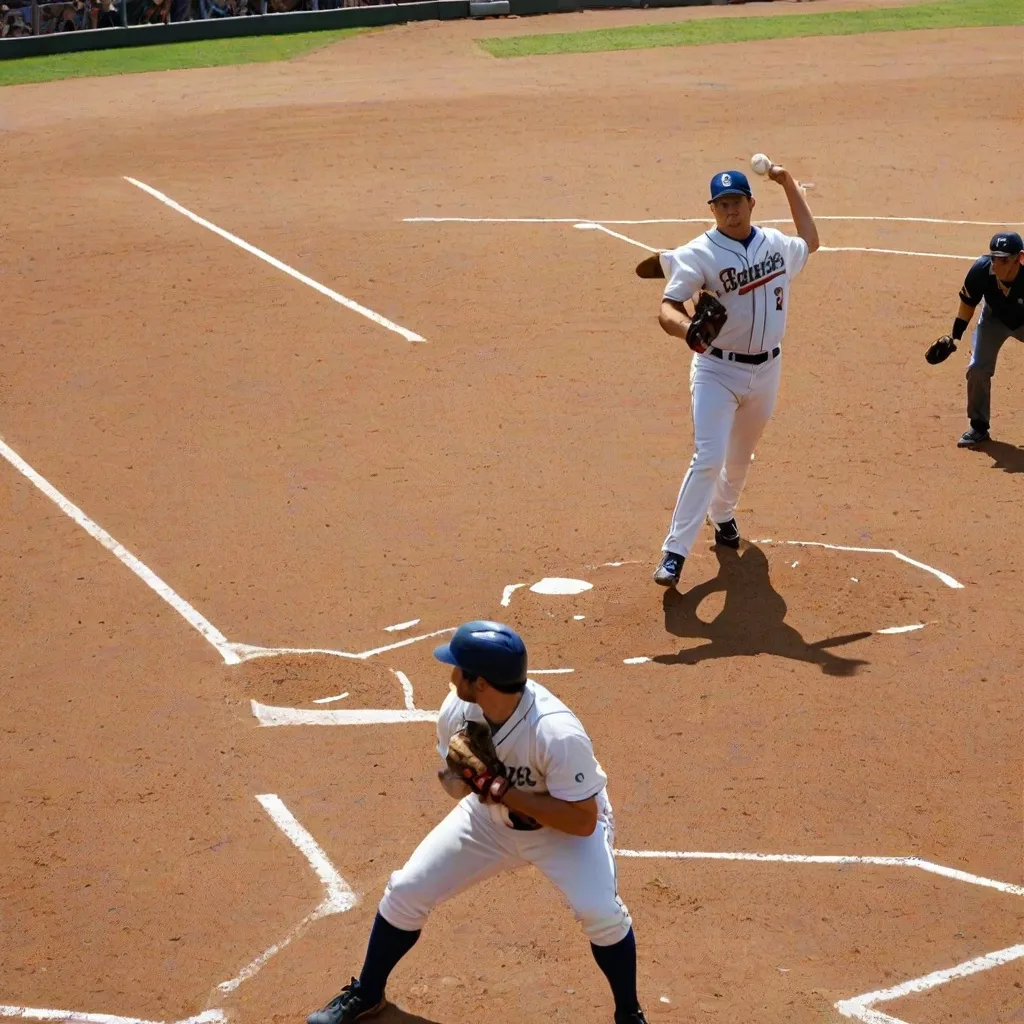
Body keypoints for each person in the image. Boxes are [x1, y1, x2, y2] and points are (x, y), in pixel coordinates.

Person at [306, 620, 646, 1024]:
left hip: (560, 830)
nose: (451, 675)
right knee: (407, 890)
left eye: (458, 668)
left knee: (601, 912)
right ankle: (366, 992)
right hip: (489, 821)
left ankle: (629, 1012)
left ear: (480, 682)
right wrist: (465, 780)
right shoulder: (459, 710)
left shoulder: (556, 732)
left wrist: (502, 790)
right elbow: (459, 788)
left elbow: (582, 821)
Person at [650, 165, 819, 587]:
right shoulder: (699, 253)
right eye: (722, 204)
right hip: (716, 369)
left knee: (740, 461)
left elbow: (811, 242)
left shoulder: (776, 245)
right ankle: (675, 553)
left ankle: (722, 515)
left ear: (750, 203)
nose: (730, 211)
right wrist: (686, 329)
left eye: (736, 203)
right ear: (712, 208)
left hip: (767, 370)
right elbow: (667, 308)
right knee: (708, 457)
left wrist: (787, 182)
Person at [949, 232, 1024, 447]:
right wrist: (955, 337)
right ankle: (979, 427)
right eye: (994, 258)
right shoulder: (981, 271)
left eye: (1004, 260)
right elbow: (968, 304)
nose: (997, 265)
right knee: (978, 369)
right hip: (994, 319)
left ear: (1020, 258)